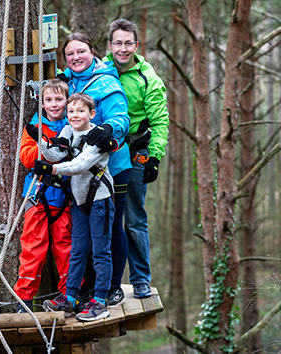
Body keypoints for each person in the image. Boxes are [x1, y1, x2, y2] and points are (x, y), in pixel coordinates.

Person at [61, 32, 131, 307]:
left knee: (112, 228)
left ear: (92, 52)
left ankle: (113, 286)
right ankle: (89, 287)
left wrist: (108, 128)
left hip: (111, 169)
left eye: (81, 51)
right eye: (70, 54)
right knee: (85, 234)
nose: (76, 57)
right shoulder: (65, 80)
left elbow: (120, 118)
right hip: (79, 172)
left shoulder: (107, 83)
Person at [104, 18, 169, 298]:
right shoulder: (100, 70)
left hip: (135, 154)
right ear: (110, 45)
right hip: (101, 153)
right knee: (102, 219)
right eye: (118, 42)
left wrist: (154, 156)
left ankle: (141, 278)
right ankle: (105, 281)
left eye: (128, 43)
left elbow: (160, 120)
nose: (123, 48)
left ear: (136, 45)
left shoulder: (148, 78)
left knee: (133, 219)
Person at [39, 93, 115, 321]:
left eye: (80, 111)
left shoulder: (98, 137)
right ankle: (70, 296)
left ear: (91, 114)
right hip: (80, 201)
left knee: (101, 252)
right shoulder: (68, 131)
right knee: (78, 250)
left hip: (100, 199)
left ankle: (100, 300)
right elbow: (55, 154)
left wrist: (51, 170)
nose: (74, 116)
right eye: (71, 111)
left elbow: (79, 165)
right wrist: (40, 141)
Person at [13, 79, 73, 314]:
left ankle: (69, 294)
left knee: (66, 246)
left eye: (59, 99)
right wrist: (46, 146)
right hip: (38, 195)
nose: (54, 104)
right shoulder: (35, 126)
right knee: (33, 247)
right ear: (42, 102)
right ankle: (24, 298)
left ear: (67, 101)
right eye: (49, 100)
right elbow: (27, 157)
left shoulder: (73, 124)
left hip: (65, 196)